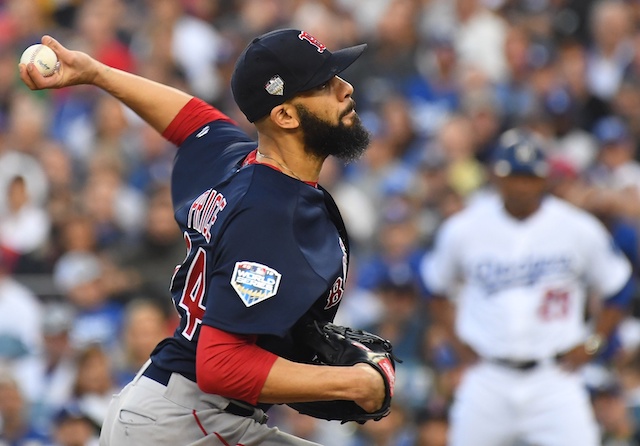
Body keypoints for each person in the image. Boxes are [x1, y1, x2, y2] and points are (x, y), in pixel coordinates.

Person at [19, 29, 385, 445]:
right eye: (325, 84)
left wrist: (97, 73)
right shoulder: (269, 216)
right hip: (185, 421)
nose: (345, 88)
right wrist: (355, 384)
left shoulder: (238, 161)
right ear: (285, 116)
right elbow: (220, 364)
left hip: (173, 410)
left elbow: (192, 120)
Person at [420, 128, 634, 446]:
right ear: (497, 177)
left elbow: (619, 287)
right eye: (512, 176)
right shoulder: (464, 229)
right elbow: (433, 287)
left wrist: (593, 343)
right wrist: (456, 342)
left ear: (543, 179)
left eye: (528, 177)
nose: (521, 186)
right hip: (487, 376)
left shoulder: (576, 227)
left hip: (555, 378)